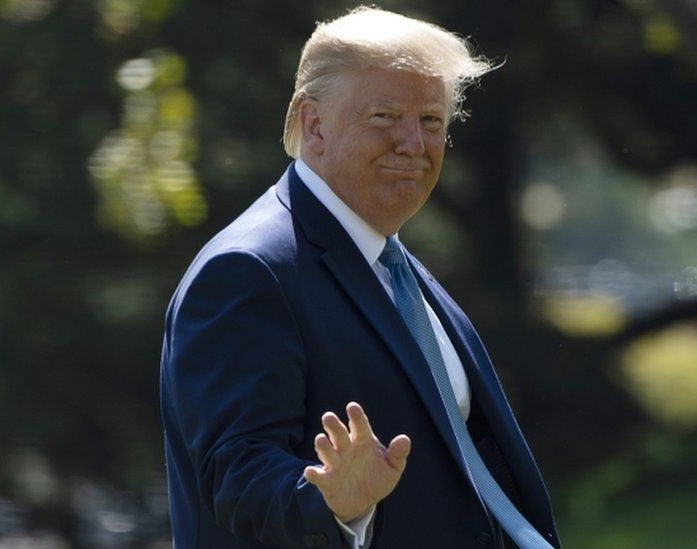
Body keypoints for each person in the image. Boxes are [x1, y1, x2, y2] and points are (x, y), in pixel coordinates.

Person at [160, 7, 561, 548]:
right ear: (314, 124)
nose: (413, 145)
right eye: (384, 117)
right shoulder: (247, 271)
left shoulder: (390, 263)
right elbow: (236, 478)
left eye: (431, 122)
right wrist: (332, 501)